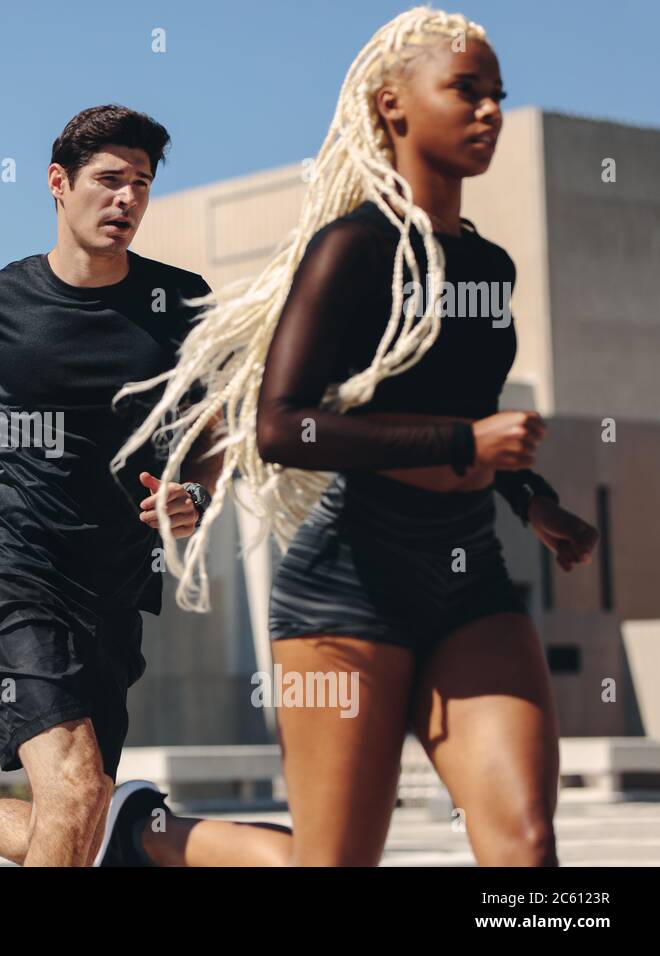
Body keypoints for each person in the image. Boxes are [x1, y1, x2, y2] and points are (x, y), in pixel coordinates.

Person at [118, 6, 599, 866]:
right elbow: (281, 425)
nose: (489, 110)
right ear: (391, 106)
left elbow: (469, 416)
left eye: (498, 95)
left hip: (469, 581)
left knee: (527, 853)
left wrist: (535, 502)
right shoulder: (351, 251)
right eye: (466, 90)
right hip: (345, 591)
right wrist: (464, 442)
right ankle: (145, 836)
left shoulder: (490, 268)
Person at [0, 104, 292, 867]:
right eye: (108, 180)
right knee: (73, 792)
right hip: (12, 570)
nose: (127, 198)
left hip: (116, 584)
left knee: (78, 815)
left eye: (142, 183)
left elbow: (221, 427)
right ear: (58, 184)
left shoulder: (179, 302)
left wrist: (195, 492)